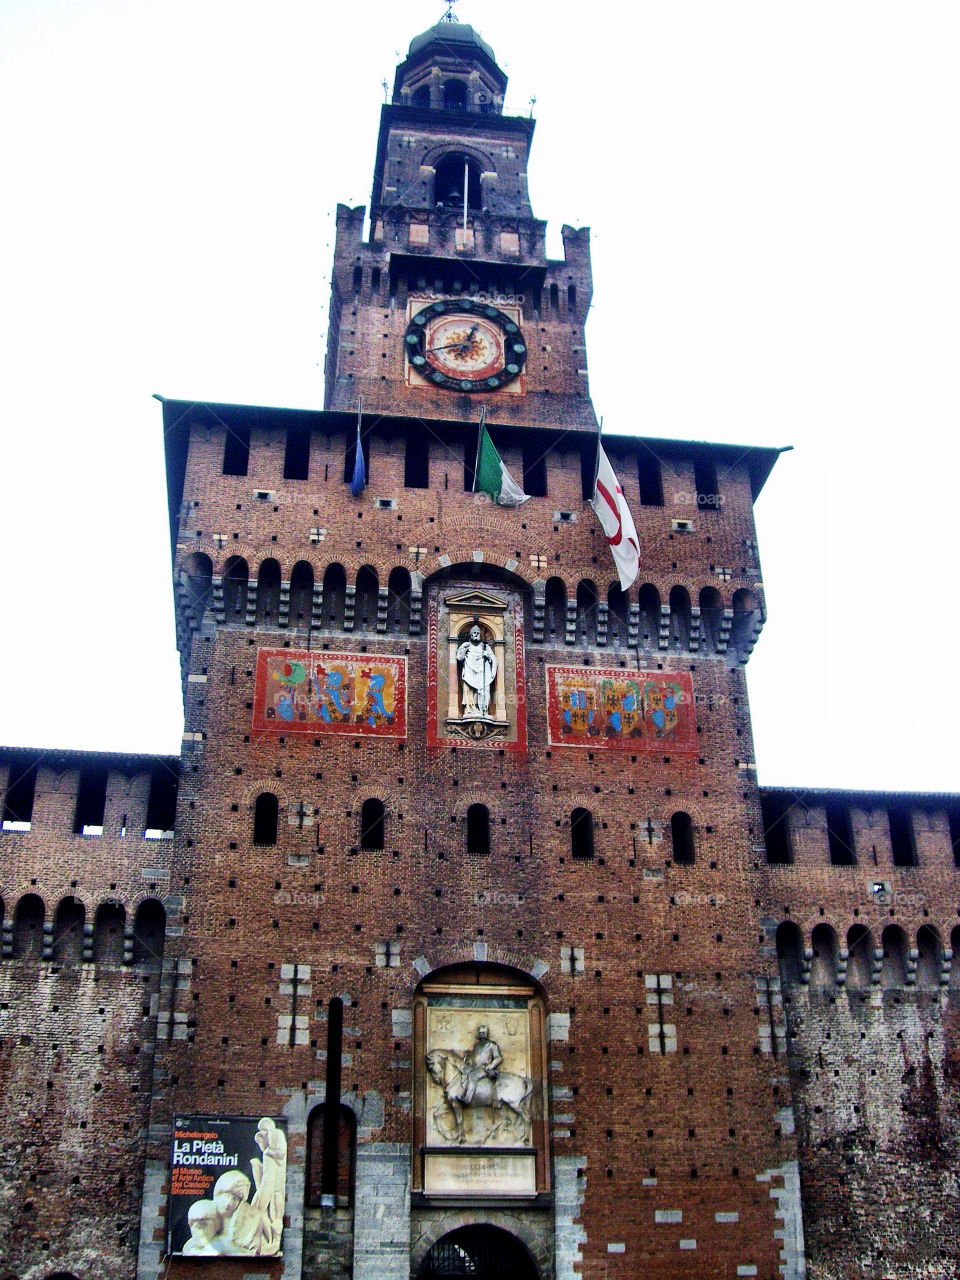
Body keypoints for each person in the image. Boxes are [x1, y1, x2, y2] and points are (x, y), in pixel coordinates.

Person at [456, 624, 497, 718]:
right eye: (474, 633)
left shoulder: (485, 647)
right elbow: (459, 658)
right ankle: (470, 710)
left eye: (478, 633)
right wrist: (464, 649)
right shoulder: (466, 645)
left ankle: (483, 711)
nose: (476, 634)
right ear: (470, 635)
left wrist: (488, 656)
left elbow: (493, 659)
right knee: (469, 692)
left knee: (483, 692)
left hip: (483, 674)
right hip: (469, 673)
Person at [460, 1024, 503, 1109]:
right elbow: (474, 1059)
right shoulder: (476, 1045)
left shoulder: (492, 1045)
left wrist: (489, 1066)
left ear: (486, 1033)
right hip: (475, 1068)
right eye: (480, 1033)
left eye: (483, 1033)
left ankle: (467, 1098)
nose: (482, 1035)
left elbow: (498, 1058)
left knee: (472, 1076)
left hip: (485, 1069)